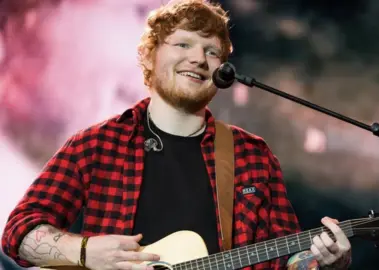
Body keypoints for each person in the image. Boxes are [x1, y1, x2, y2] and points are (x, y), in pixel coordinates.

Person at [1, 0, 352, 269]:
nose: (199, 58)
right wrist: (84, 252)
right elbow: (19, 234)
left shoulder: (253, 156)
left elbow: (285, 260)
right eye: (182, 45)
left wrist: (324, 260)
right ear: (151, 59)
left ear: (222, 71)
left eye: (211, 51)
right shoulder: (96, 145)